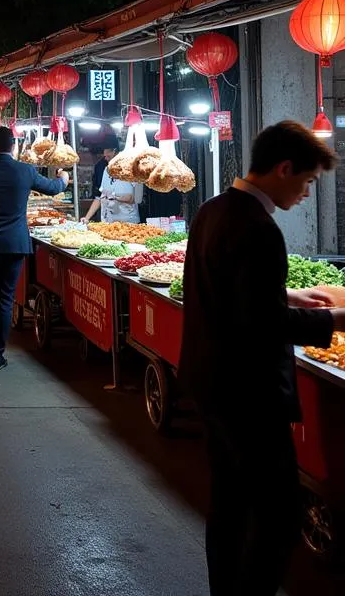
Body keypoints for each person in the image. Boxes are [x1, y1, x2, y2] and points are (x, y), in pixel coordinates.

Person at [179, 121, 345, 596]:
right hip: (246, 392)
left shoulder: (214, 210)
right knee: (276, 517)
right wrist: (335, 319)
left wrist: (289, 294)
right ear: (284, 168)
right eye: (308, 181)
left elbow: (225, 290)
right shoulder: (256, 227)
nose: (308, 193)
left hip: (212, 381)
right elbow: (260, 325)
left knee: (229, 505)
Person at [0, 126, 70, 371]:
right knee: (5, 299)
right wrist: (63, 179)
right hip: (15, 245)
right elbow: (53, 188)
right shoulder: (25, 170)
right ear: (14, 146)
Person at [80, 145, 141, 224]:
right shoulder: (106, 170)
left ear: (116, 153)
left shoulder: (134, 170)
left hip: (129, 223)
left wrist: (117, 198)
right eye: (105, 156)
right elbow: (100, 197)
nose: (105, 159)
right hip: (108, 223)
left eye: (108, 156)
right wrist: (87, 218)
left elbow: (138, 199)